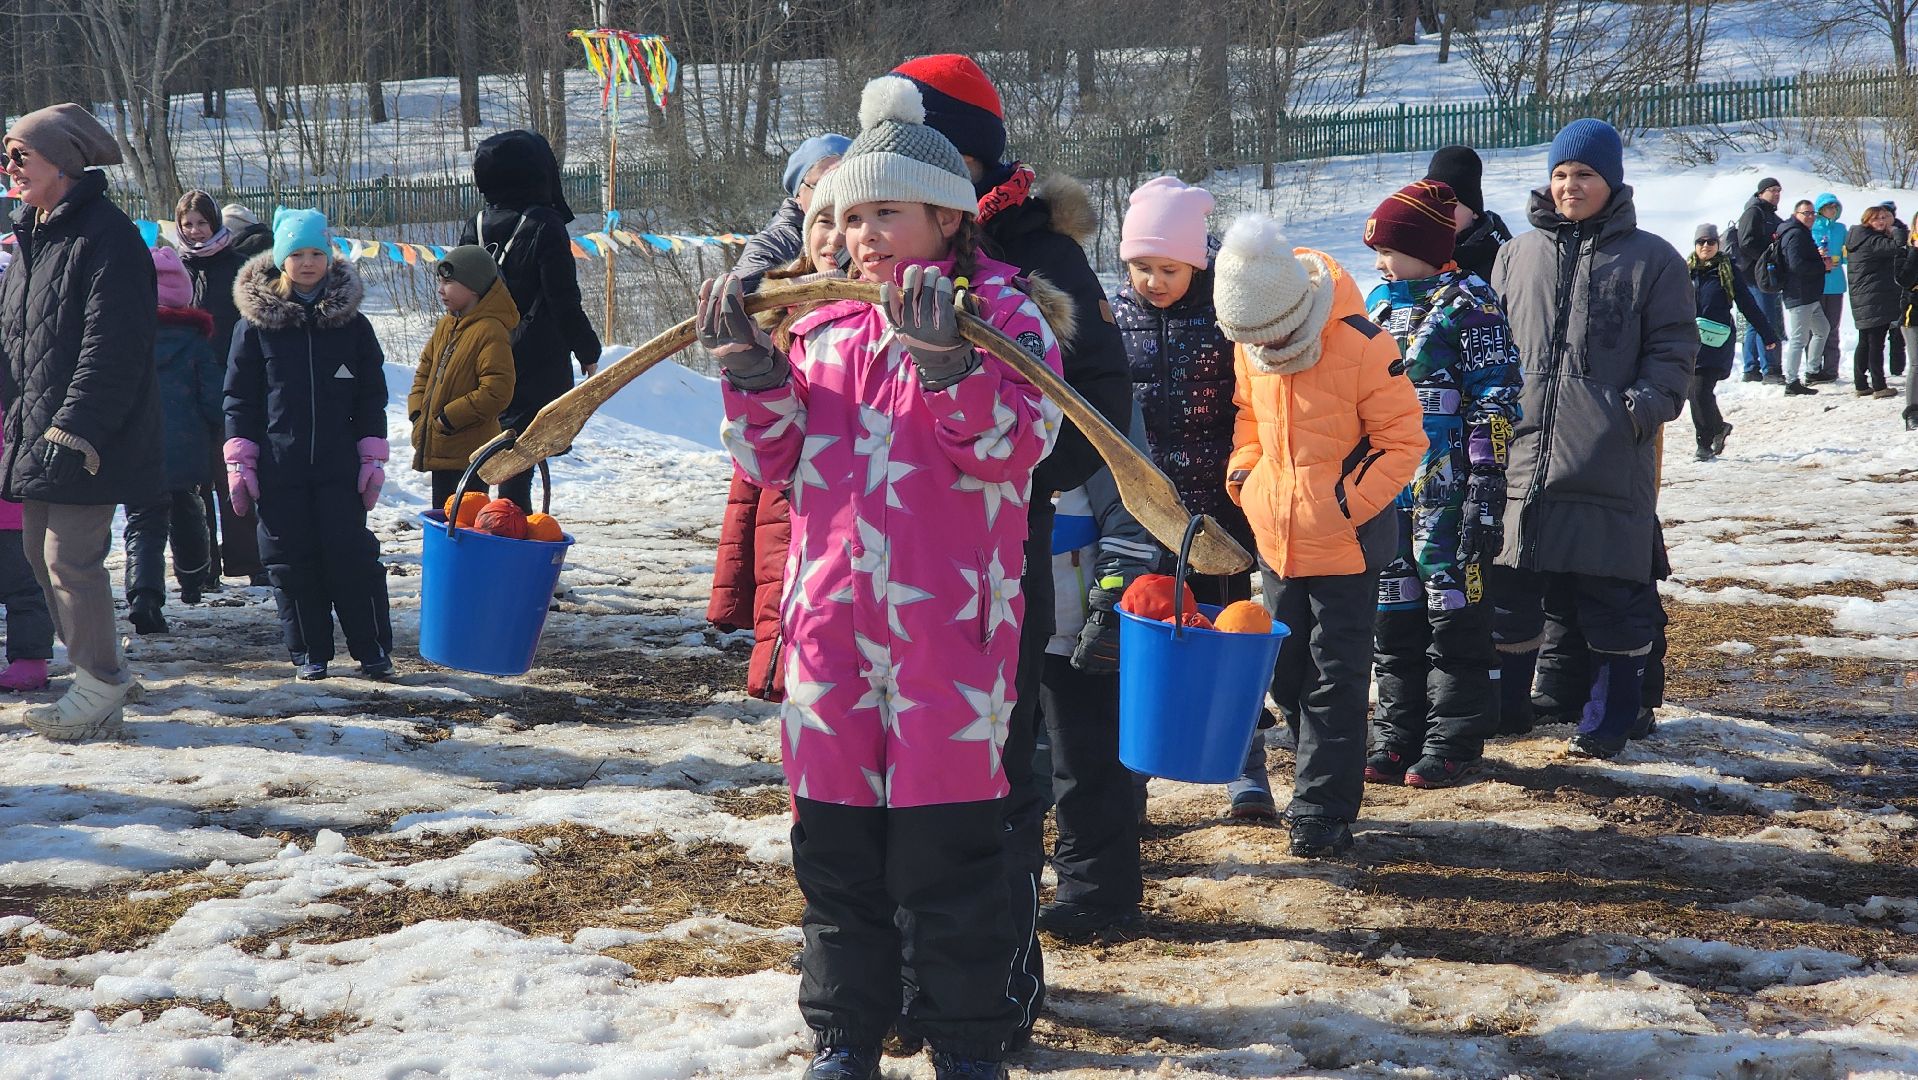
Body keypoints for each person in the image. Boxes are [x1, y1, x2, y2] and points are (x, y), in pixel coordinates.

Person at [701, 76, 1065, 1080]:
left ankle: (966, 1042)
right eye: (847, 215)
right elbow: (772, 463)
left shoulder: (1001, 314)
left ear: (946, 218)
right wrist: (754, 374)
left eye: (883, 212)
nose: (860, 234)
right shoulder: (817, 324)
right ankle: (847, 1034)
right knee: (836, 854)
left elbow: (1017, 445)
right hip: (829, 635)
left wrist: (951, 367)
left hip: (949, 638)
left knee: (949, 858)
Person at [887, 54, 1133, 1037]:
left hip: (997, 557)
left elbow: (1095, 413)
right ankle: (909, 982)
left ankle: (993, 991)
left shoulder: (1036, 261)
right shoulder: (874, 254)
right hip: (890, 573)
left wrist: (985, 445)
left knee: (993, 779)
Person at [1489, 119, 1696, 760]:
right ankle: (1509, 710)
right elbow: (1491, 343)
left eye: (1583, 175)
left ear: (1611, 182)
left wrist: (1638, 409)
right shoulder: (1515, 254)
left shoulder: (1653, 259)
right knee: (1515, 588)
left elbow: (1674, 348)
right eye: (1560, 174)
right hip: (1521, 453)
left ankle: (1613, 716)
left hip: (1607, 453)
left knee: (1612, 589)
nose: (1569, 186)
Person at [1221, 216, 1424, 856]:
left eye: (1270, 335)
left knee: (1336, 677)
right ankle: (1318, 783)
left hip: (1348, 542)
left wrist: (1342, 505)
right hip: (1276, 537)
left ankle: (1322, 808)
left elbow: (1403, 441)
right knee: (1286, 677)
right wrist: (1245, 479)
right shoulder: (1250, 341)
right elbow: (1249, 419)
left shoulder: (1365, 345)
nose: (1262, 347)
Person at [1111, 175, 1276, 819]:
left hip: (1216, 508)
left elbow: (1252, 402)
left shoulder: (1224, 315)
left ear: (1198, 264)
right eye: (1141, 267)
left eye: (1169, 268)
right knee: (1144, 633)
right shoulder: (1114, 316)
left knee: (1228, 633)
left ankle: (1244, 767)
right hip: (1143, 507)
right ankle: (1130, 781)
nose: (1153, 280)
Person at [0, 102, 163, 741]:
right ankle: (104, 671)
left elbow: (113, 346)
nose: (8, 167)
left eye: (20, 155)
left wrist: (76, 428)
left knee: (70, 560)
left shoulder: (107, 236)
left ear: (62, 165)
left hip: (88, 433)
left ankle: (97, 680)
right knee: (40, 558)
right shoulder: (36, 235)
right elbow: (17, 339)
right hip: (36, 428)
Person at [1360, 180, 1521, 788]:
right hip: (1385, 487)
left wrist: (1484, 475)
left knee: (1451, 606)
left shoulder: (1471, 304)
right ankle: (1395, 734)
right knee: (1392, 608)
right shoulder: (1376, 303)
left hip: (1447, 486)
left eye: (1390, 249)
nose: (1380, 262)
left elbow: (1498, 396)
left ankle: (1453, 739)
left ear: (1427, 246)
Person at [226, 208, 394, 682]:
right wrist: (241, 461)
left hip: (339, 466)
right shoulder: (256, 326)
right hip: (280, 466)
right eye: (296, 253)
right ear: (281, 260)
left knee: (351, 556)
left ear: (328, 257)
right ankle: (310, 653)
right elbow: (239, 396)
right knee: (290, 560)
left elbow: (371, 394)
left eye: (316, 252)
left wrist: (371, 456)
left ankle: (373, 650)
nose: (307, 262)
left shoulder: (352, 325)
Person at [706, 182, 852, 704]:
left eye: (848, 221)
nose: (833, 238)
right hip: (779, 503)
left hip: (837, 517)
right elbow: (760, 452)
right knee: (789, 628)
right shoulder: (776, 304)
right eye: (820, 221)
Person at [1036, 400, 1158, 938]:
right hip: (991, 612)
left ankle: (1096, 893)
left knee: (1087, 757)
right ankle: (1003, 881)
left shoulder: (1090, 387)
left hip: (1075, 612)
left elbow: (1133, 503)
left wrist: (1112, 600)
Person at [459, 129, 603, 514]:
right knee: (519, 456)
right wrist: (587, 349)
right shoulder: (545, 226)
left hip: (481, 356)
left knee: (482, 446)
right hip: (533, 360)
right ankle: (510, 539)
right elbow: (562, 299)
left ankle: (469, 534)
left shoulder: (474, 225)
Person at [123, 246, 223, 635]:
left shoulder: (126, 339)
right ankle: (194, 574)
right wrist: (216, 427)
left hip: (137, 447)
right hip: (184, 448)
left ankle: (143, 596)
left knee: (143, 524)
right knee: (186, 509)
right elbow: (213, 400)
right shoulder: (196, 343)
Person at [176, 189, 266, 588]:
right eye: (188, 224)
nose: (195, 232)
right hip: (185, 387)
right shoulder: (173, 268)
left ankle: (250, 561)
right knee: (195, 480)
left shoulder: (237, 268)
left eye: (202, 223)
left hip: (232, 383)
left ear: (215, 225)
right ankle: (203, 566)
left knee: (235, 474)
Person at [408, 245, 518, 508]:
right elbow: (425, 369)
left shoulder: (490, 330)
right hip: (442, 444)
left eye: (448, 282)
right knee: (443, 518)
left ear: (474, 287)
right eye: (440, 282)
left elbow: (496, 389)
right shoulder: (446, 325)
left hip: (470, 452)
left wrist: (449, 418)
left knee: (465, 521)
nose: (440, 289)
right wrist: (417, 412)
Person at [1688, 223, 1778, 459]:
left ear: (1718, 244)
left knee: (1699, 390)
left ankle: (1704, 444)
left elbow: (1748, 303)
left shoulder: (1727, 270)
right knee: (1694, 392)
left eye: (1710, 241)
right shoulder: (1685, 271)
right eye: (1701, 242)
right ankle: (1718, 428)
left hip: (1717, 340)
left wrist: (1767, 333)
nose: (1706, 246)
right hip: (1691, 340)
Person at [732, 133, 851, 291]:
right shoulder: (778, 243)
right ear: (798, 196)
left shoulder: (869, 230)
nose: (834, 192)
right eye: (822, 184)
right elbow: (746, 285)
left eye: (846, 181)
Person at [0, 429, 54, 692]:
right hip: (18, 506)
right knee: (29, 591)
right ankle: (30, 661)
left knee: (27, 590)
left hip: (16, 508)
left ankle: (30, 660)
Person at [1423, 145, 1512, 283]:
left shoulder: (1503, 259)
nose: (1437, 211)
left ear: (1474, 212)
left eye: (1448, 203)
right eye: (1431, 202)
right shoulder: (1419, 253)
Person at [1845, 203, 1905, 399]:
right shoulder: (1872, 241)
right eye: (1877, 218)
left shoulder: (1859, 237)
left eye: (1883, 217)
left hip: (1865, 297)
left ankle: (1861, 383)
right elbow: (1897, 247)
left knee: (1865, 341)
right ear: (1867, 221)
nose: (1881, 221)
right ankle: (1879, 386)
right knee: (1875, 342)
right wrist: (1896, 229)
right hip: (1873, 298)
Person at [1733, 177, 1786, 383]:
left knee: (1756, 322)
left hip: (1761, 274)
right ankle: (1769, 368)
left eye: (1779, 190)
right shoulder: (1753, 212)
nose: (1776, 194)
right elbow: (1745, 242)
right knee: (1765, 320)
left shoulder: (1770, 215)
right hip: (1755, 275)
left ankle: (1751, 368)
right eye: (1772, 190)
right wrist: (1766, 258)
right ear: (1761, 193)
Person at [1778, 200, 1829, 396]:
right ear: (1795, 213)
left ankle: (1812, 371)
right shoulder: (1795, 234)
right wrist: (1820, 266)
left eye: (1811, 213)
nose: (1809, 216)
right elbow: (1796, 265)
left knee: (1822, 329)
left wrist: (1816, 257)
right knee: (1799, 339)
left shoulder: (1800, 232)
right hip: (1799, 294)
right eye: (1805, 213)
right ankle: (1791, 382)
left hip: (1809, 294)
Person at [1811, 193, 1847, 383]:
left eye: (1834, 207)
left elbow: (1848, 255)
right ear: (1819, 209)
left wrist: (1843, 256)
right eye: (1828, 207)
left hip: (1835, 285)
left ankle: (1831, 369)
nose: (1831, 210)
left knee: (1832, 328)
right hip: (1815, 285)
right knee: (1815, 330)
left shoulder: (1841, 229)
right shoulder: (1811, 228)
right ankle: (1813, 369)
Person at [1883, 201, 1909, 377]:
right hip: (1879, 288)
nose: (1884, 219)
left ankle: (1897, 369)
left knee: (1897, 332)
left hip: (1898, 287)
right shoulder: (1873, 233)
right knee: (1877, 332)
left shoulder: (1902, 232)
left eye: (1888, 215)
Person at [1899, 228, 1918, 429]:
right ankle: (1912, 411)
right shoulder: (1905, 251)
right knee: (1916, 363)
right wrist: (1915, 251)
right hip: (1913, 314)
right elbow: (1903, 279)